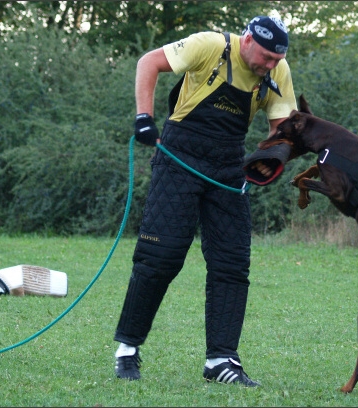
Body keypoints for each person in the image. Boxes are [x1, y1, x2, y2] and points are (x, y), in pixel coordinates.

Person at [113, 15, 297, 386]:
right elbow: (149, 61)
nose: (270, 65)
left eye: (276, 60)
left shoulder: (278, 71)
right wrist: (144, 118)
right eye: (265, 57)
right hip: (178, 157)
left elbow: (282, 126)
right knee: (160, 257)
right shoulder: (211, 46)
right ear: (246, 41)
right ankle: (127, 349)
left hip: (228, 169)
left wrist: (274, 155)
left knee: (232, 264)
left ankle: (221, 361)